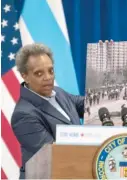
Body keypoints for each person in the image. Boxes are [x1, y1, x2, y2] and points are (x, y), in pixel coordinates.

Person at [11, 43, 85, 179]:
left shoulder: (59, 92)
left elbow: (89, 106)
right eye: (39, 73)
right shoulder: (23, 115)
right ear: (25, 76)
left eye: (50, 71)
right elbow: (53, 155)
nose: (48, 77)